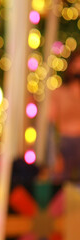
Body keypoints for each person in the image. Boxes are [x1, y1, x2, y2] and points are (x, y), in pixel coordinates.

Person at [48, 50, 80, 183]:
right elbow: (51, 122)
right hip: (64, 143)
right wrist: (54, 154)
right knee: (60, 185)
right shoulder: (60, 92)